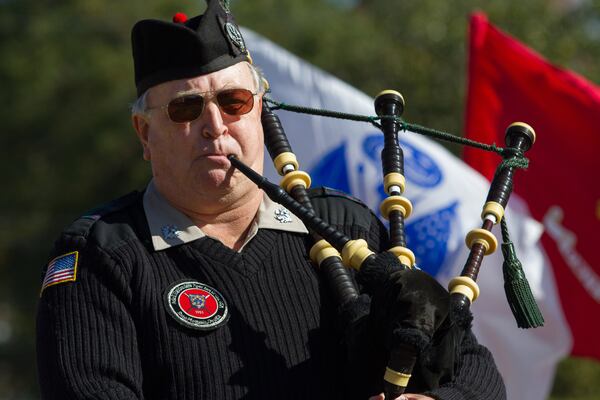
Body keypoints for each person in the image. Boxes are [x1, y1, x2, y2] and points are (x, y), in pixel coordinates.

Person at [36, 1, 506, 399]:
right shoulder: (104, 255)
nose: (215, 125)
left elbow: (478, 374)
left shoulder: (347, 226)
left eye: (234, 101)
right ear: (144, 133)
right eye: (185, 108)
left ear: (260, 110)